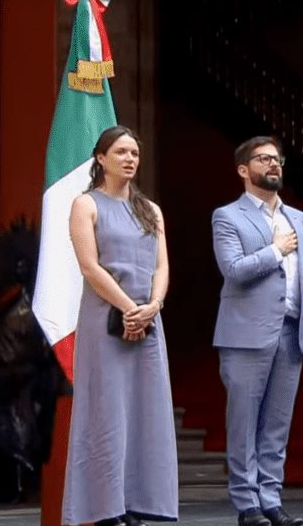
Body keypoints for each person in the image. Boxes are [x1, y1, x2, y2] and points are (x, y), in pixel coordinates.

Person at [62, 125, 178, 526]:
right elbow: (90, 267)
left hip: (148, 321)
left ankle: (138, 503)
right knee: (106, 412)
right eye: (121, 152)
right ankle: (104, 508)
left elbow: (162, 266)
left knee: (146, 410)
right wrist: (131, 309)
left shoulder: (152, 210)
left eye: (135, 153)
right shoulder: (85, 204)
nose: (130, 159)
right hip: (105, 321)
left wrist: (153, 306)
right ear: (101, 159)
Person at [212, 136, 303, 526]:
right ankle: (247, 504)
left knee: (277, 425)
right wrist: (275, 250)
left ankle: (271, 499)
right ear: (244, 170)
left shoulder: (300, 220)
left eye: (277, 159)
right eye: (263, 159)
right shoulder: (227, 216)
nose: (274, 165)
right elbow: (234, 270)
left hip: (291, 332)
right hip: (245, 335)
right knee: (242, 423)